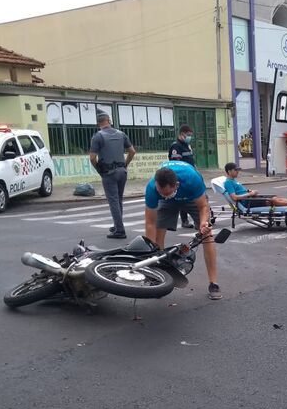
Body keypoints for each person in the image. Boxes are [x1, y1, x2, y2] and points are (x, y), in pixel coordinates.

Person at [144, 161, 222, 300]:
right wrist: (150, 252)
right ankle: (159, 276)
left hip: (191, 198)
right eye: (161, 192)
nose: (165, 195)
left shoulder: (191, 179)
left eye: (168, 192)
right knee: (158, 234)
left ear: (176, 185)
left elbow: (203, 207)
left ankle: (213, 283)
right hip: (168, 203)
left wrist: (204, 223)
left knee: (207, 235)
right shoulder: (152, 188)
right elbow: (150, 223)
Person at [89, 111, 136, 239]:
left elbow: (92, 158)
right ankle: (117, 225)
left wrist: (100, 170)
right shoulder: (121, 134)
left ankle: (120, 230)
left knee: (113, 201)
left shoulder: (98, 136)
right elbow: (132, 151)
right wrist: (125, 165)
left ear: (98, 124)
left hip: (109, 173)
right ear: (109, 120)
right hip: (122, 171)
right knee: (119, 199)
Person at [223, 162, 287, 208]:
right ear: (229, 171)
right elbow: (234, 197)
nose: (237, 172)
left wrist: (250, 191)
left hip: (250, 198)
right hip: (247, 202)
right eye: (235, 170)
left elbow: (241, 191)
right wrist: (250, 194)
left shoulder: (233, 181)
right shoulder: (228, 182)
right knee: (272, 200)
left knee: (275, 198)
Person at [168, 124, 196, 228]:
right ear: (182, 134)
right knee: (183, 198)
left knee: (190, 198)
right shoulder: (176, 146)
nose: (189, 137)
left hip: (190, 175)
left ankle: (194, 220)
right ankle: (184, 221)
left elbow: (191, 160)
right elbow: (176, 164)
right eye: (188, 135)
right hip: (182, 177)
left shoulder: (186, 145)